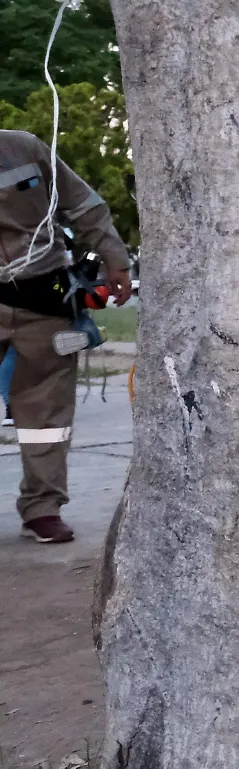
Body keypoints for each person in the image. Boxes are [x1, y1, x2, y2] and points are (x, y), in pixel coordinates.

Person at [0, 129, 133, 544]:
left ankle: (42, 507)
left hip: (45, 298)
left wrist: (116, 260)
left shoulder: (24, 148)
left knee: (46, 415)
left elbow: (83, 204)